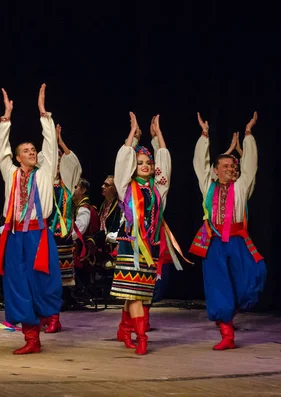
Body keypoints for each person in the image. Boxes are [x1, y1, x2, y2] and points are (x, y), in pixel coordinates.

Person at [0, 84, 62, 354]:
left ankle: (47, 318)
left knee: (44, 282)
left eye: (34, 149)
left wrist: (44, 114)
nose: (32, 152)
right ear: (18, 156)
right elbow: (1, 149)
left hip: (37, 234)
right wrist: (6, 119)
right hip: (14, 237)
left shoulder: (43, 174)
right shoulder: (10, 174)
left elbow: (51, 146)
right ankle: (31, 339)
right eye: (27, 150)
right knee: (18, 285)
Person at [190, 111, 266, 350]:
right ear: (215, 170)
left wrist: (249, 135)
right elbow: (198, 163)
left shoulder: (241, 187)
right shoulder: (207, 185)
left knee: (254, 276)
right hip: (214, 244)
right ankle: (227, 334)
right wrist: (204, 135)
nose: (230, 168)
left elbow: (250, 165)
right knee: (218, 285)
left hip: (238, 240)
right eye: (225, 165)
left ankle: (234, 308)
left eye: (232, 165)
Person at [110, 113, 176, 355]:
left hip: (151, 246)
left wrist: (159, 137)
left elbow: (165, 169)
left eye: (148, 163)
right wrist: (132, 137)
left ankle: (126, 331)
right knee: (136, 294)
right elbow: (122, 163)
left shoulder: (158, 190)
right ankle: (142, 336)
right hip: (130, 245)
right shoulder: (126, 188)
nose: (145, 166)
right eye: (140, 163)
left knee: (136, 294)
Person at [38, 123, 82, 333]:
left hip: (61, 237)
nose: (56, 165)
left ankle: (54, 317)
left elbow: (74, 163)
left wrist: (60, 142)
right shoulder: (40, 181)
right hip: (41, 234)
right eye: (52, 162)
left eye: (58, 162)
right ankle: (44, 315)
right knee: (43, 277)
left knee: (58, 280)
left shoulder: (68, 182)